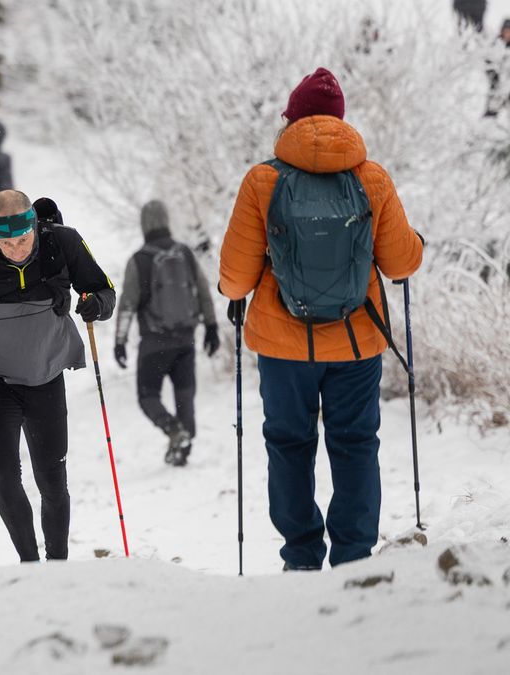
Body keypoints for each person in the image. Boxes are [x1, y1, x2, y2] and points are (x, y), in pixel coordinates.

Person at [219, 68, 423, 570]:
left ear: (290, 118)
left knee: (289, 444)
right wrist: (415, 244)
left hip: (283, 347)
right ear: (340, 121)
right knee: (355, 444)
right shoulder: (370, 178)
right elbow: (401, 264)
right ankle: (354, 557)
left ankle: (302, 555)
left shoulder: (263, 180)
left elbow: (236, 277)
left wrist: (233, 291)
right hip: (356, 345)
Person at [0, 190, 117, 562]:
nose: (16, 248)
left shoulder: (62, 241)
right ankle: (29, 563)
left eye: (23, 239)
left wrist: (96, 304)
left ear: (34, 225)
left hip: (44, 374)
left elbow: (104, 289)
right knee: (6, 473)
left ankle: (58, 562)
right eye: (6, 242)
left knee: (51, 479)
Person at [113, 200, 219, 467]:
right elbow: (203, 291)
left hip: (154, 343)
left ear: (143, 224)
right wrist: (211, 327)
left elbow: (127, 304)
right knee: (185, 396)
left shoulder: (139, 260)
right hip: (185, 340)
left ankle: (173, 431)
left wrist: (120, 341)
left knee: (148, 396)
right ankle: (183, 446)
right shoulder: (184, 252)